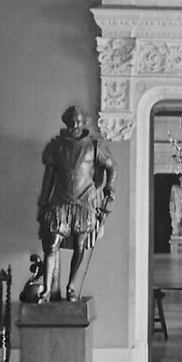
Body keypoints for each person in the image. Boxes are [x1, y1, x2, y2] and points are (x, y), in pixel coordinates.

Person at [37, 105, 116, 302]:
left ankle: (71, 286)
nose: (75, 125)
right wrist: (43, 201)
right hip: (60, 200)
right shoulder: (56, 147)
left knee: (80, 244)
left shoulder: (94, 145)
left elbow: (111, 167)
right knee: (51, 245)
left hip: (84, 200)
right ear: (66, 122)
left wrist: (109, 188)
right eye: (72, 121)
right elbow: (49, 177)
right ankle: (46, 290)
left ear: (84, 123)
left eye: (78, 121)